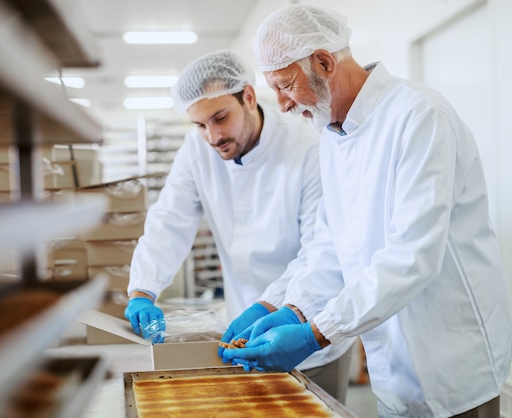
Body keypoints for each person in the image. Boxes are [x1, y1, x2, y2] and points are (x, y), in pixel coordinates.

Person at [221, 5, 512, 418]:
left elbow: (411, 255)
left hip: (454, 363)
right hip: (391, 369)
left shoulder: (418, 116)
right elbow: (331, 246)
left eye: (285, 86)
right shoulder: (332, 135)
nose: (283, 106)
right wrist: (290, 307)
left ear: (323, 62)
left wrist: (317, 334)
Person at [124, 49, 355, 403]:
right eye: (200, 125)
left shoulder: (307, 147)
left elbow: (322, 249)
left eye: (220, 118)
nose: (213, 136)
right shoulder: (196, 150)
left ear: (248, 96)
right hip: (241, 330)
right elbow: (170, 221)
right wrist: (142, 290)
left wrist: (272, 305)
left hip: (309, 326)